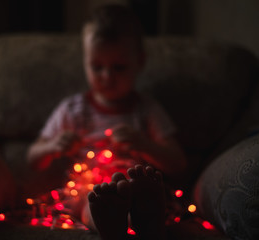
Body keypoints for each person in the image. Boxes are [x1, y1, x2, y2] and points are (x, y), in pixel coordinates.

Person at [27, 4, 186, 239]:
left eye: (118, 67)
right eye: (97, 67)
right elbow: (33, 159)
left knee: (144, 189)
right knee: (86, 199)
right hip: (86, 187)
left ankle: (144, 219)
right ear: (85, 63)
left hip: (135, 183)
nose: (107, 77)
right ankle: (108, 220)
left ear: (139, 62)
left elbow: (178, 163)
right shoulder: (72, 110)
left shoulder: (146, 110)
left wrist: (144, 144)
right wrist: (53, 147)